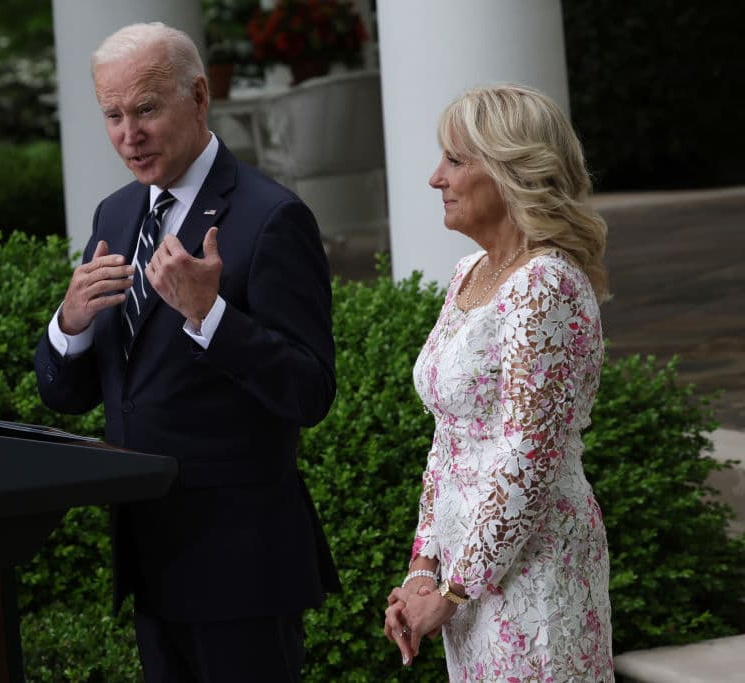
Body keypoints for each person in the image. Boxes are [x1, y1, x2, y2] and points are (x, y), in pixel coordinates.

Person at [34, 22, 339, 683]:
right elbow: (67, 392)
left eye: (145, 108)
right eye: (112, 114)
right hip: (149, 554)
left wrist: (211, 314)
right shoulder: (114, 216)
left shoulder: (271, 216)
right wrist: (70, 322)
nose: (127, 134)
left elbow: (310, 389)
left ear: (199, 97)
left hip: (243, 567)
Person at [382, 83, 614, 681]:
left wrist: (454, 588)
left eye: (455, 160)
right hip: (468, 577)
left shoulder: (546, 283)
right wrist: (422, 571)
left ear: (514, 172)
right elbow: (448, 440)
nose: (436, 178)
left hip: (535, 572)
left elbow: (531, 454)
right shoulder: (469, 272)